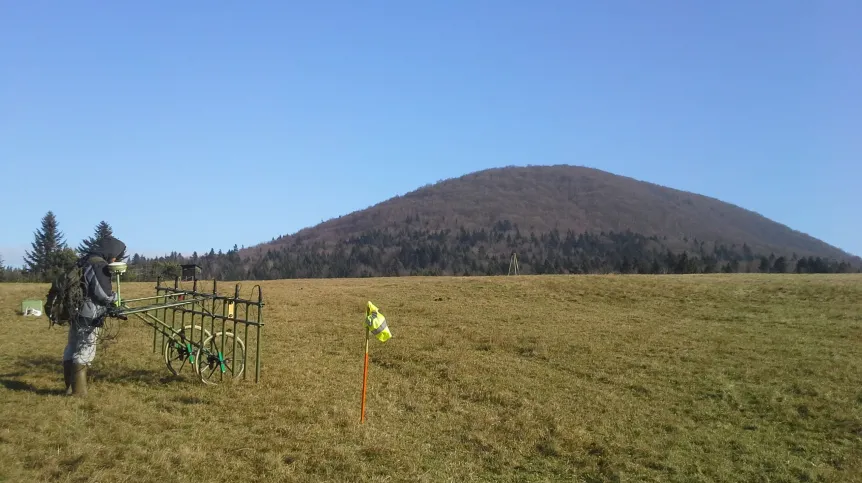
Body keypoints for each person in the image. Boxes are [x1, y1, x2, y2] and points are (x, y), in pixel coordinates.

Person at [63, 236, 126, 397]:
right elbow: (103, 293)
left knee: (72, 346)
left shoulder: (84, 260)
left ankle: (69, 387)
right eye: (115, 255)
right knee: (86, 348)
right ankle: (79, 392)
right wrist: (115, 299)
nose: (115, 259)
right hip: (89, 313)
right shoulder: (99, 265)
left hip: (74, 310)